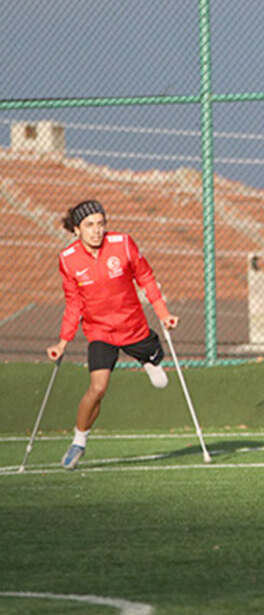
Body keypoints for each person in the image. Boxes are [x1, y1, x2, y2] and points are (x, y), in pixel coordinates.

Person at [47, 199, 178, 470]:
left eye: (100, 224)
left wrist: (163, 313)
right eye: (89, 225)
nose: (96, 231)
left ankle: (150, 359)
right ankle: (79, 441)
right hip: (100, 331)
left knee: (158, 372)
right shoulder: (68, 260)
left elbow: (146, 278)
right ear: (76, 229)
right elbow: (74, 303)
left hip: (133, 327)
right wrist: (62, 342)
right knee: (97, 388)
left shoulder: (123, 244)